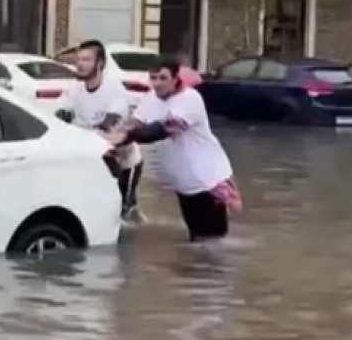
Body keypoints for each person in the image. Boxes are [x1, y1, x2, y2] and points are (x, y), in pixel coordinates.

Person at [105, 56, 241, 242]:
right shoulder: (152, 97)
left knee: (212, 243)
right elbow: (135, 121)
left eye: (163, 78)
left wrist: (128, 136)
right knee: (196, 240)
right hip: (184, 183)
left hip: (208, 181)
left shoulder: (190, 99)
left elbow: (166, 129)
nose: (157, 84)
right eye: (153, 78)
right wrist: (113, 136)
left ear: (176, 78)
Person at [56, 40, 145, 223]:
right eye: (79, 59)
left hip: (122, 163)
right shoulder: (74, 89)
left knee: (120, 216)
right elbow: (61, 117)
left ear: (100, 64)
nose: (80, 64)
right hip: (92, 159)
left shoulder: (114, 89)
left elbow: (110, 126)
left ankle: (132, 219)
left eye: (87, 59)